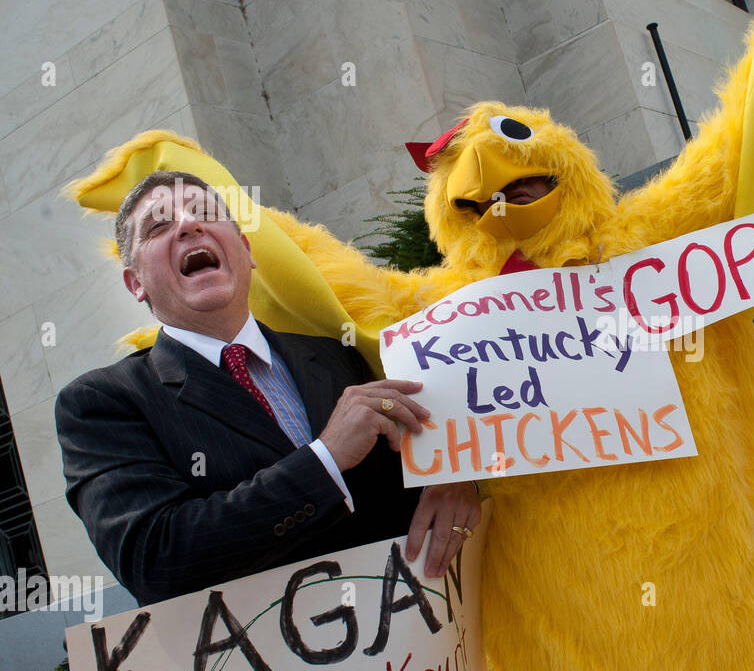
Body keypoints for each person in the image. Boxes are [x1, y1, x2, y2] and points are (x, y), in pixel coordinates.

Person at [56, 171, 480, 606]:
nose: (188, 225)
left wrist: (452, 479)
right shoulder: (102, 403)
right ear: (136, 283)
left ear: (246, 251)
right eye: (159, 226)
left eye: (205, 213)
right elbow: (155, 560)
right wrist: (325, 459)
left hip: (409, 651)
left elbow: (411, 470)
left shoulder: (336, 356)